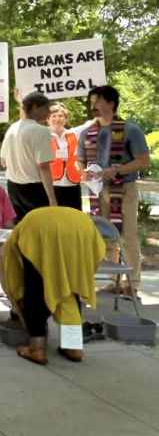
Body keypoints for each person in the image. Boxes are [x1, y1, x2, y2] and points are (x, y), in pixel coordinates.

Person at [2, 207, 105, 365]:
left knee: (35, 290)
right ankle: (73, 347)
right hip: (82, 227)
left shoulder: (16, 240)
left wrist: (18, 303)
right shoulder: (25, 227)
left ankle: (37, 348)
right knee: (70, 291)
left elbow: (14, 279)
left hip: (42, 229)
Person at [76, 85, 150, 295]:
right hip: (98, 190)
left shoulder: (130, 130)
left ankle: (131, 284)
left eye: (97, 101)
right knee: (105, 236)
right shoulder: (87, 132)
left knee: (128, 236)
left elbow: (143, 161)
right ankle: (113, 281)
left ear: (110, 103)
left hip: (124, 188)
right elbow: (79, 161)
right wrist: (83, 172)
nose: (93, 105)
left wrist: (117, 170)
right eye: (91, 101)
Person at [0, 91, 57, 222]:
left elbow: (4, 162)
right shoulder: (41, 131)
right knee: (39, 228)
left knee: (21, 228)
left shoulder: (12, 128)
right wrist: (52, 199)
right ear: (35, 107)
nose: (49, 112)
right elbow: (43, 167)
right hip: (34, 191)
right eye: (46, 107)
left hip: (13, 188)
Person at [48, 103, 92, 211]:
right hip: (52, 185)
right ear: (47, 119)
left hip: (72, 184)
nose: (57, 119)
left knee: (74, 216)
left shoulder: (74, 134)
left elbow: (90, 124)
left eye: (60, 116)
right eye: (53, 116)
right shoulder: (42, 135)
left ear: (65, 119)